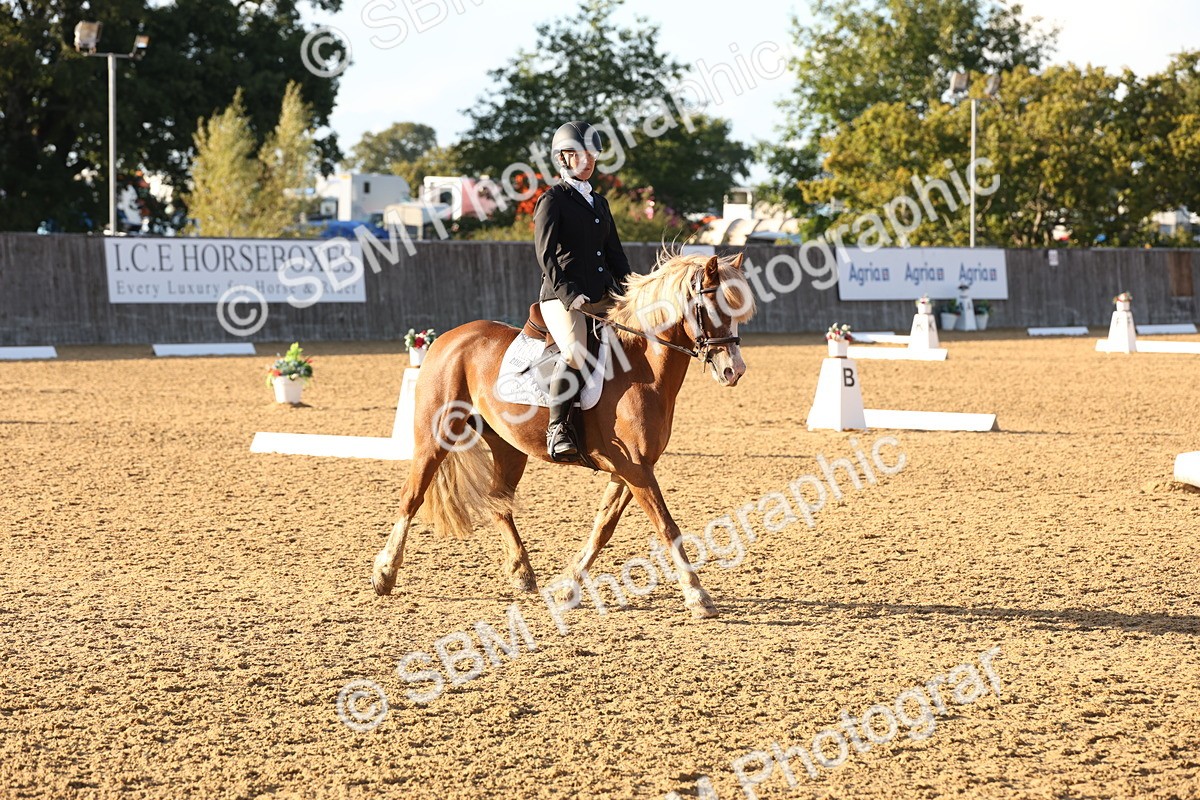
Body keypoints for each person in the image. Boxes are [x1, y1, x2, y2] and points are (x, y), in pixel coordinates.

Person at [533, 120, 632, 461]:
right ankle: (557, 428)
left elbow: (615, 253)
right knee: (576, 353)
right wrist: (568, 293)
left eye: (592, 154)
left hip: (601, 296)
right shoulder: (552, 200)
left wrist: (633, 290)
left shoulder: (600, 203)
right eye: (579, 154)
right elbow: (545, 255)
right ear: (562, 158)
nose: (588, 160)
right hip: (563, 298)